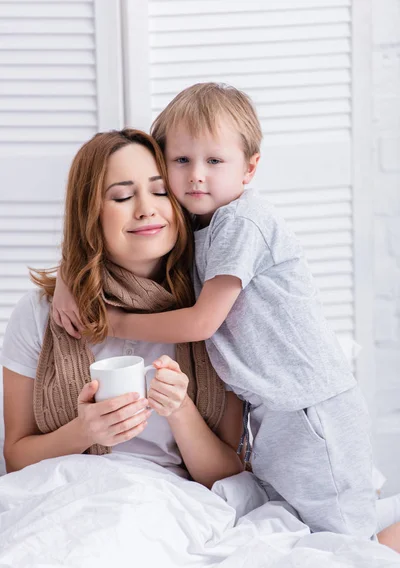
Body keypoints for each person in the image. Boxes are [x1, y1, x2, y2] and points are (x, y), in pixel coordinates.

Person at [52, 85, 397, 544]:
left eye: (214, 162)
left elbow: (201, 323)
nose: (196, 176)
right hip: (272, 410)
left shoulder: (241, 221)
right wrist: (65, 278)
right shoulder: (198, 225)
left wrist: (110, 322)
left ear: (250, 167)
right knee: (298, 528)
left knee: (344, 539)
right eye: (181, 161)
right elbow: (98, 236)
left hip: (311, 407)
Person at [0, 128, 245, 490]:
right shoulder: (41, 313)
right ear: (90, 212)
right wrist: (83, 431)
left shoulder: (212, 310)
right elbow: (16, 459)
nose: (147, 209)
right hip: (67, 498)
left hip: (173, 504)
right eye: (123, 196)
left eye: (161, 191)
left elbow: (229, 475)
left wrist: (180, 410)